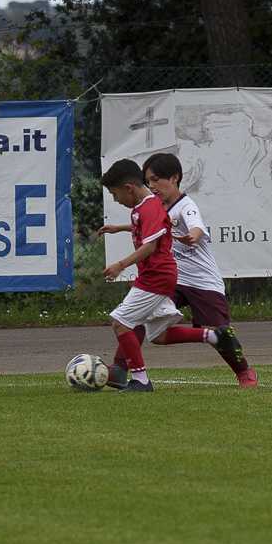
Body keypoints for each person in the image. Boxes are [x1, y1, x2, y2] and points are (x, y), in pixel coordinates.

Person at [139, 152, 258, 385]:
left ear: (174, 178)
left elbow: (196, 226)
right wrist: (120, 228)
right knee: (141, 317)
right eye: (148, 181)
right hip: (174, 280)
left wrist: (192, 236)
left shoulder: (186, 206)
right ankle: (122, 368)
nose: (151, 186)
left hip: (203, 281)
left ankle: (244, 372)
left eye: (156, 179)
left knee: (222, 333)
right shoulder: (158, 207)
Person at [91, 158, 182, 392]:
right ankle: (210, 335)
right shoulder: (143, 207)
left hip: (157, 276)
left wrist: (120, 265)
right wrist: (118, 228)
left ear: (129, 188)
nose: (116, 200)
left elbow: (150, 246)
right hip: (154, 275)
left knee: (121, 323)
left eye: (115, 194)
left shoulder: (149, 206)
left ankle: (140, 380)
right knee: (158, 334)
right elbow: (145, 227)